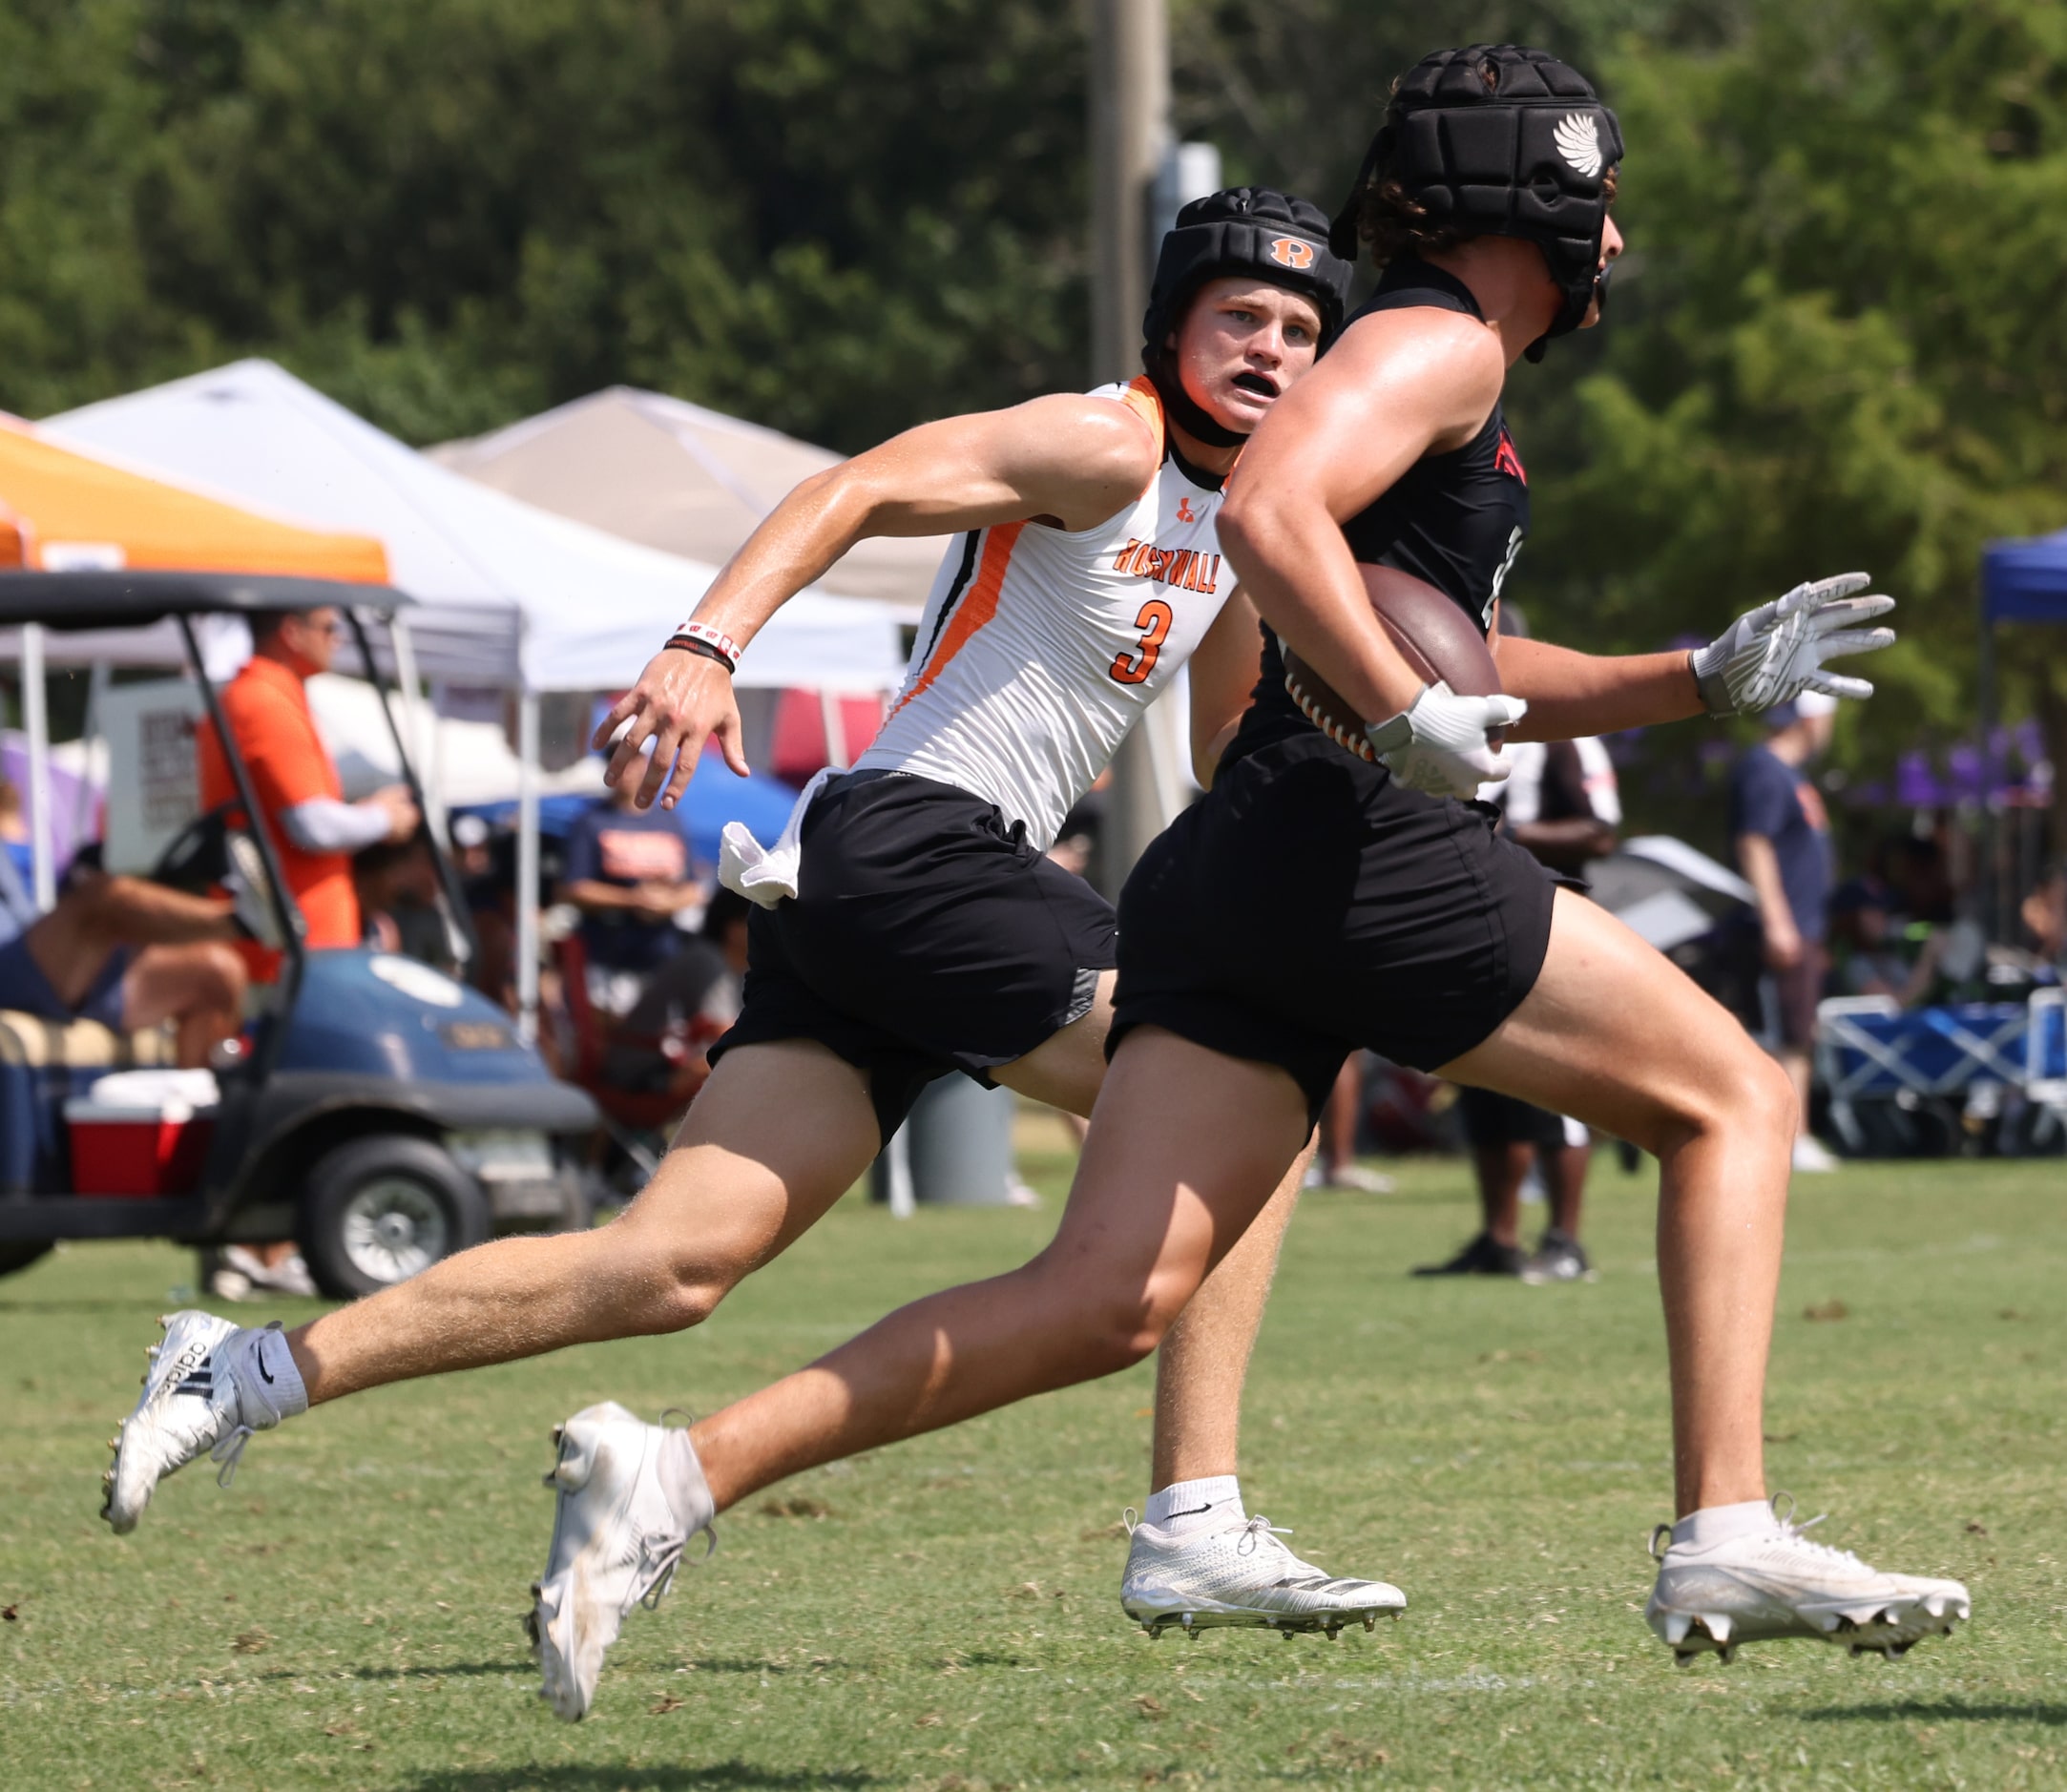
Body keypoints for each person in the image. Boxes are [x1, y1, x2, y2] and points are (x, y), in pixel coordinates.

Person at [103, 187, 1411, 1701]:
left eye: (1303, 332)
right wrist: (704, 643)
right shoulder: (1104, 439)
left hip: (889, 893)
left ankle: (243, 1367)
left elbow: (1214, 740)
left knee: (664, 1263)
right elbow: (853, 486)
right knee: (1245, 1094)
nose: (1271, 347)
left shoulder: (1247, 527)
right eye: (1240, 314)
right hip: (914, 843)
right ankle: (1192, 1512)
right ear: (1171, 324)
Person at [1419, 629, 1621, 1279]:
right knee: (1479, 1071)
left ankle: (1566, 1239)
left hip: (1548, 915)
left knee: (1556, 1080)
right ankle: (1499, 1238)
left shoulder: (1561, 732)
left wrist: (1511, 831)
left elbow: (1600, 831)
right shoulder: (1442, 723)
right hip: (1463, 918)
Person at [195, 604, 421, 958]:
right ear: (292, 633)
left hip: (284, 940)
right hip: (292, 947)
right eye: (329, 628)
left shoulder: (257, 695)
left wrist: (366, 814)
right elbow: (310, 825)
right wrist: (383, 819)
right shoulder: (265, 700)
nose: (339, 638)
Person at [0, 854, 249, 1070]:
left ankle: (199, 1120)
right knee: (101, 896)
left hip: (52, 960)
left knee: (217, 971)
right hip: (12, 969)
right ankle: (241, 920)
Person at [1729, 692, 1838, 1173]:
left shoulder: (1792, 777)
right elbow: (1754, 841)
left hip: (1804, 925)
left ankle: (1797, 1132)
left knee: (1801, 1030)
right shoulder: (1765, 770)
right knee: (1785, 1034)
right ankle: (1791, 1136)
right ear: (1812, 719)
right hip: (1784, 926)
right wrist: (1776, 920)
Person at [557, 781, 703, 1014]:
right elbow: (574, 889)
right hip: (608, 955)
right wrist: (633, 899)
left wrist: (664, 903)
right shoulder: (591, 820)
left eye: (636, 759)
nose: (629, 769)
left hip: (663, 956)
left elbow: (693, 889)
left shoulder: (669, 819)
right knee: (612, 1038)